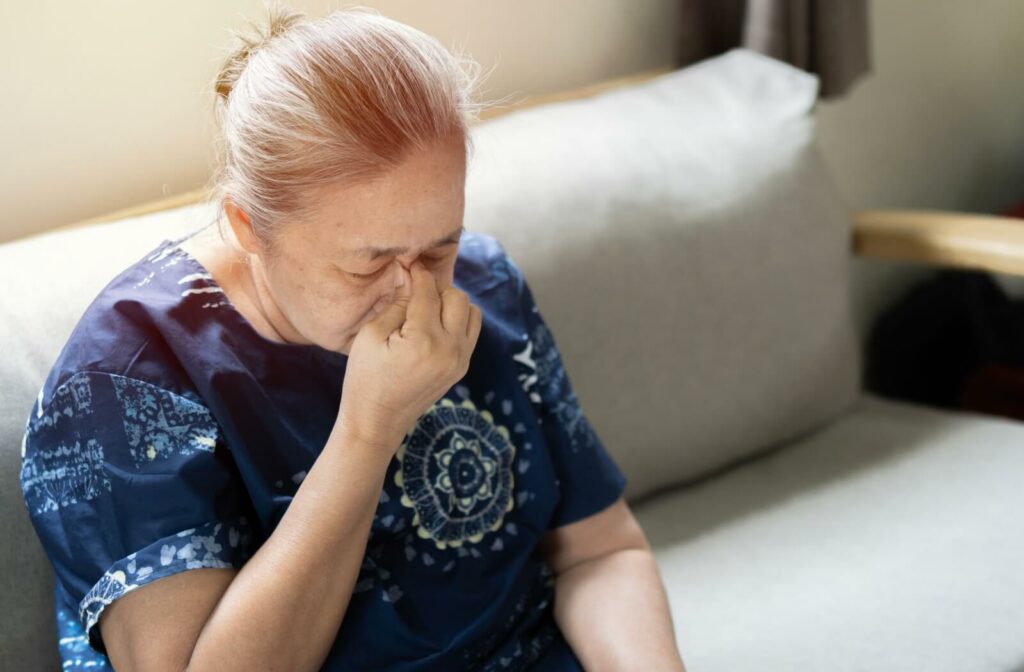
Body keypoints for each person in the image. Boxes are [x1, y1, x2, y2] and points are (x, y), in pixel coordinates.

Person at [18, 5, 686, 671]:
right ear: (249, 228)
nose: (415, 295)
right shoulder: (122, 383)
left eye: (439, 247)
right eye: (368, 262)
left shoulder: (483, 282)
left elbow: (600, 551)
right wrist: (371, 428)